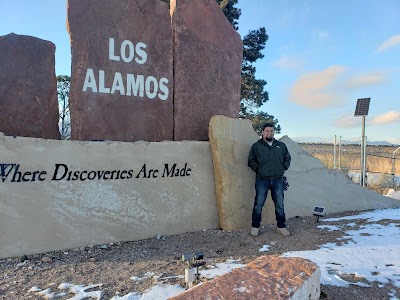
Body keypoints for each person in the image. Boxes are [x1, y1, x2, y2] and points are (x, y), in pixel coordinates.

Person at [247, 123, 291, 237]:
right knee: (258, 204)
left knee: (279, 205)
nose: (269, 133)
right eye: (267, 131)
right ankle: (255, 227)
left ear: (274, 132)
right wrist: (259, 169)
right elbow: (251, 161)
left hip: (278, 180)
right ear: (262, 132)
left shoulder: (281, 146)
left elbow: (287, 158)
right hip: (262, 180)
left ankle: (281, 227)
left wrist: (283, 167)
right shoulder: (256, 146)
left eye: (271, 131)